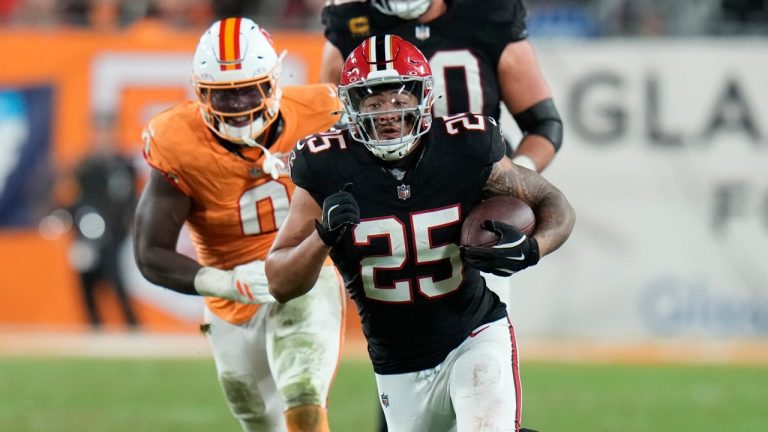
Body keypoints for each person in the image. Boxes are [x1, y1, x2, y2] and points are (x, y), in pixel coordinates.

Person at [266, 35, 575, 432]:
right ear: (351, 106)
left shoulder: (465, 147)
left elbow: (555, 204)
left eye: (399, 99)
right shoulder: (325, 167)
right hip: (397, 362)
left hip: (474, 332)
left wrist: (535, 247)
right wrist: (321, 237)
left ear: (423, 98)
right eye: (373, 102)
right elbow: (279, 281)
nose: (388, 113)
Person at [133, 17, 345, 432]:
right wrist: (229, 283)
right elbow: (150, 253)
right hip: (231, 296)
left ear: (274, 81)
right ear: (199, 92)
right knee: (255, 417)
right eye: (223, 95)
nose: (238, 106)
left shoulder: (323, 111)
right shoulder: (176, 140)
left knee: (303, 395)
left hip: (307, 271)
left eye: (249, 89)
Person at [319, 0, 563, 173]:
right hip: (389, 192)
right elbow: (332, 131)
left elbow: (543, 123)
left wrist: (516, 175)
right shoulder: (350, 27)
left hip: (477, 181)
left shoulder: (488, 16)